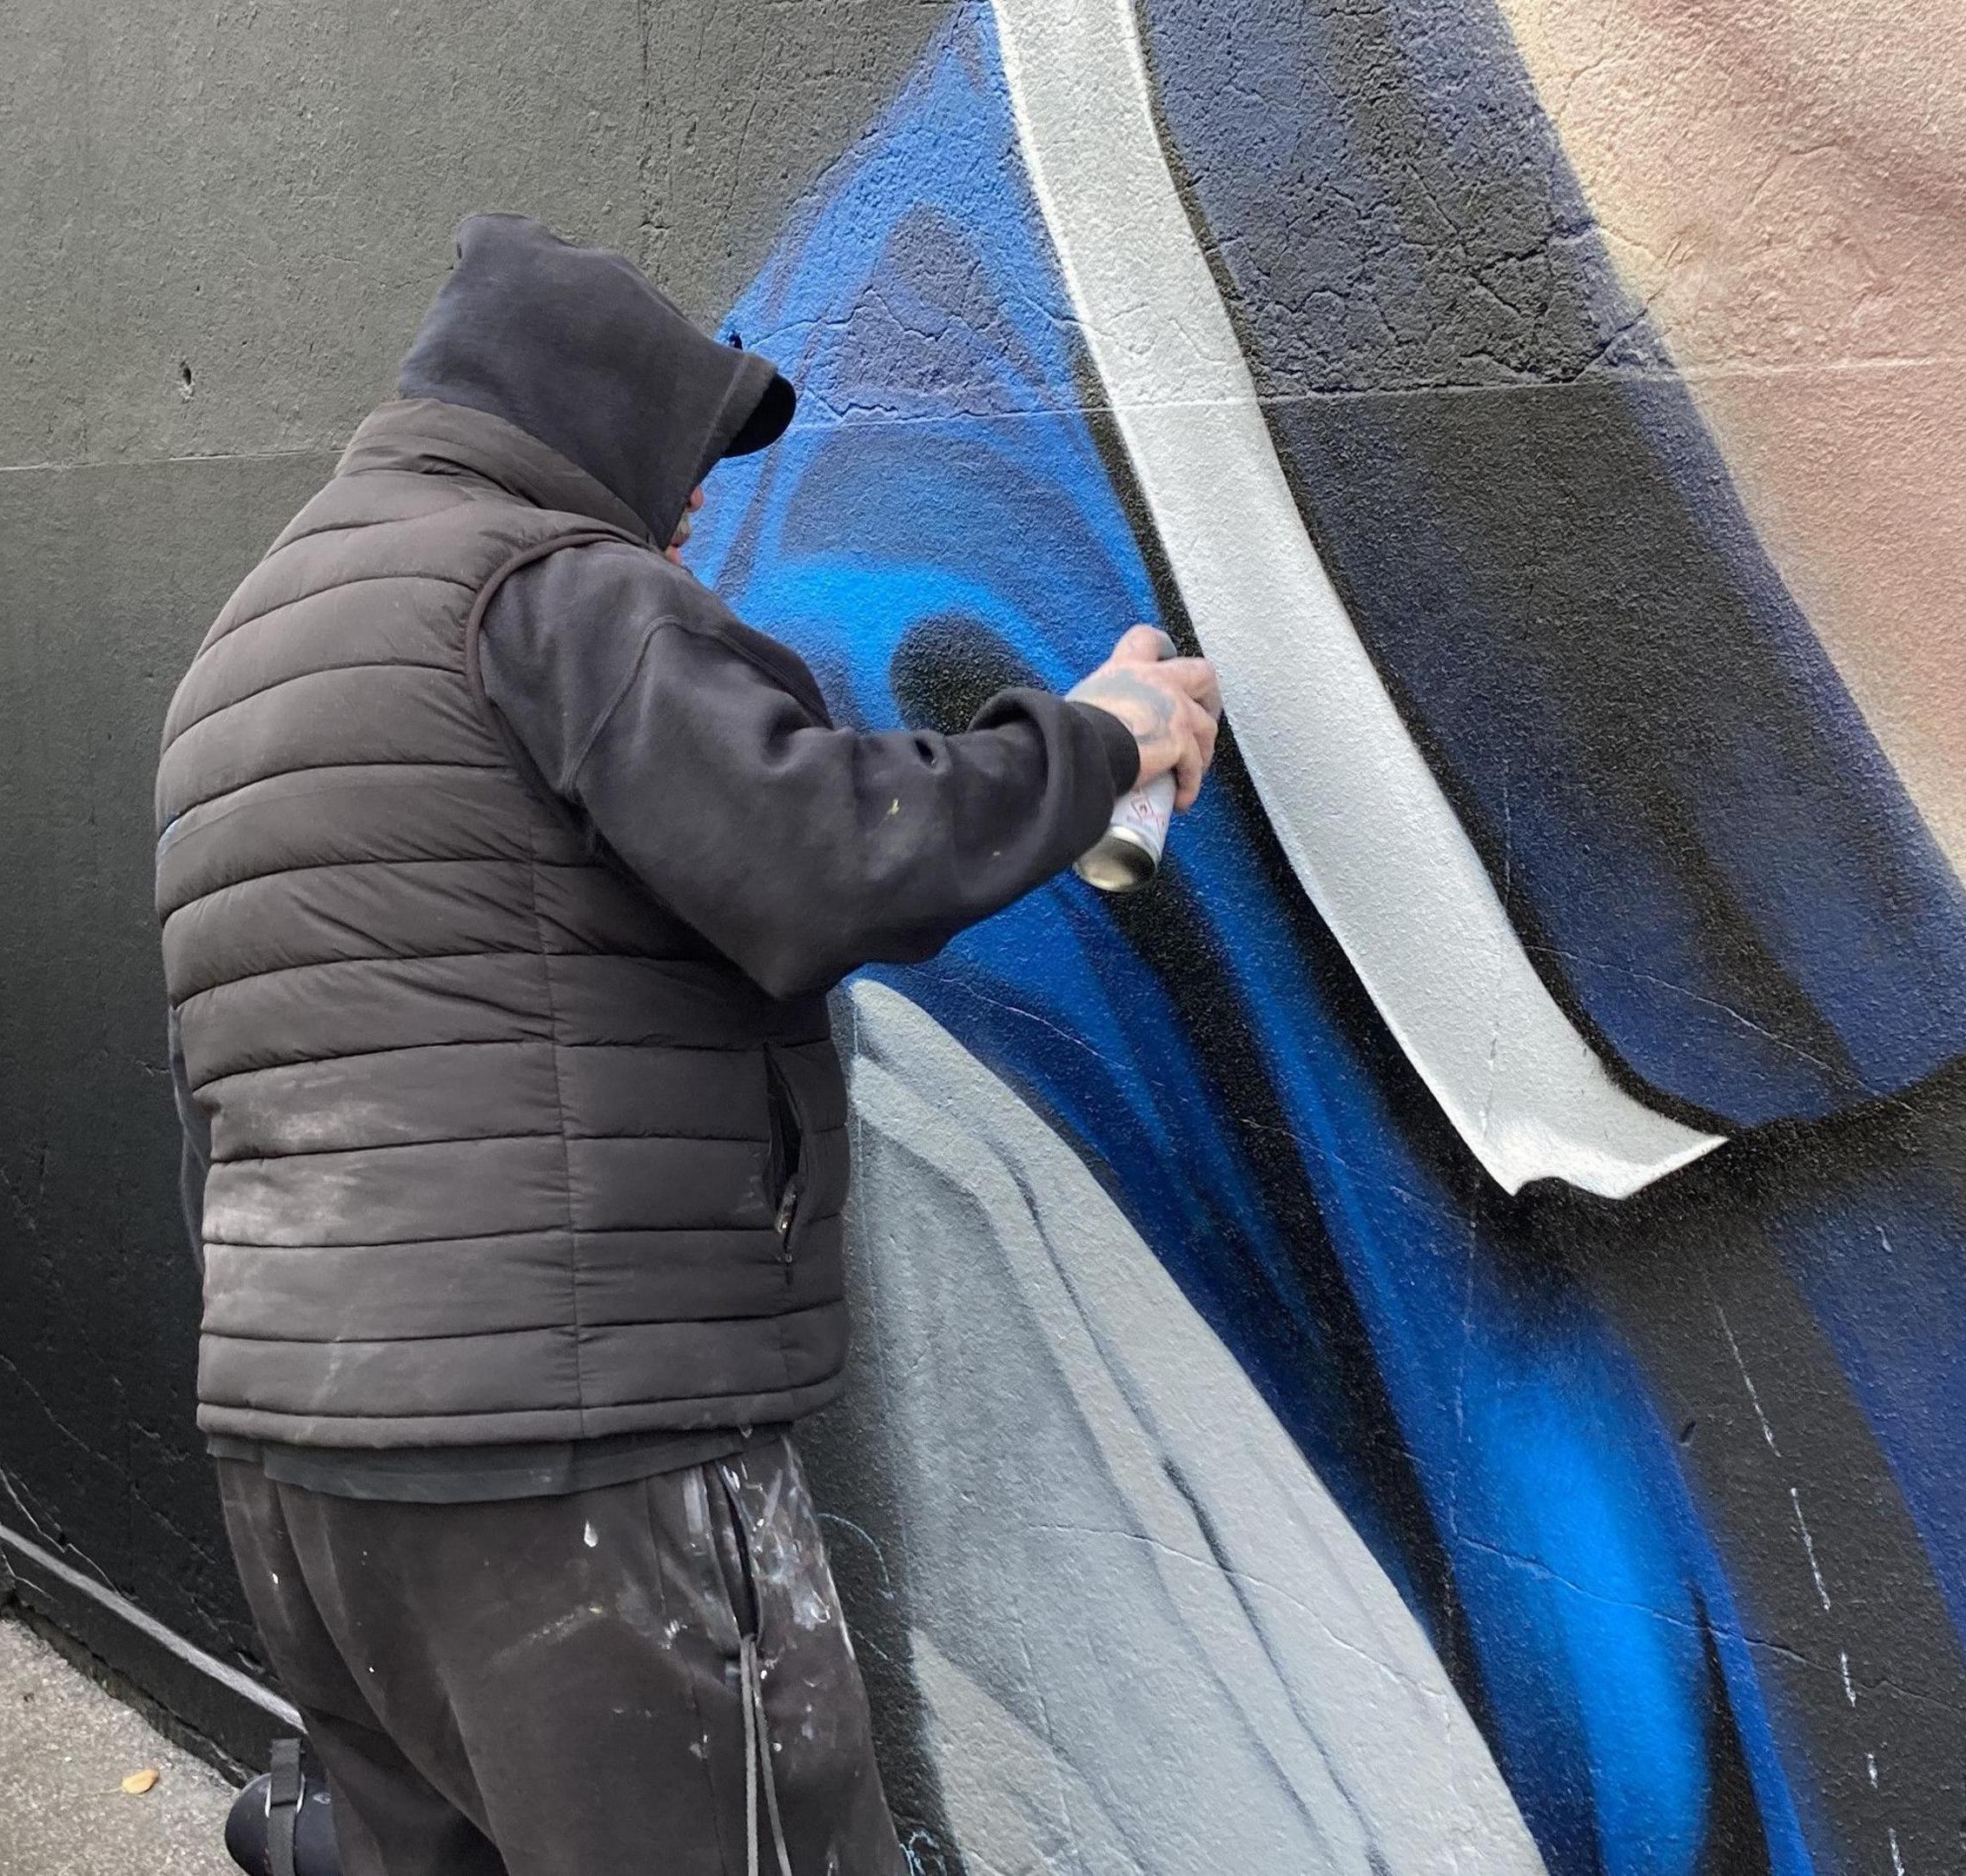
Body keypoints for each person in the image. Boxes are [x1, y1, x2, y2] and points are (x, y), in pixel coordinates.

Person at [151, 211, 1221, 1876]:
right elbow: (822, 850)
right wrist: (1091, 743)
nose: (697, 505)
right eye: (684, 455)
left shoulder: (244, 653)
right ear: (580, 421)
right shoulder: (545, 589)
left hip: (307, 1466)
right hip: (574, 1459)